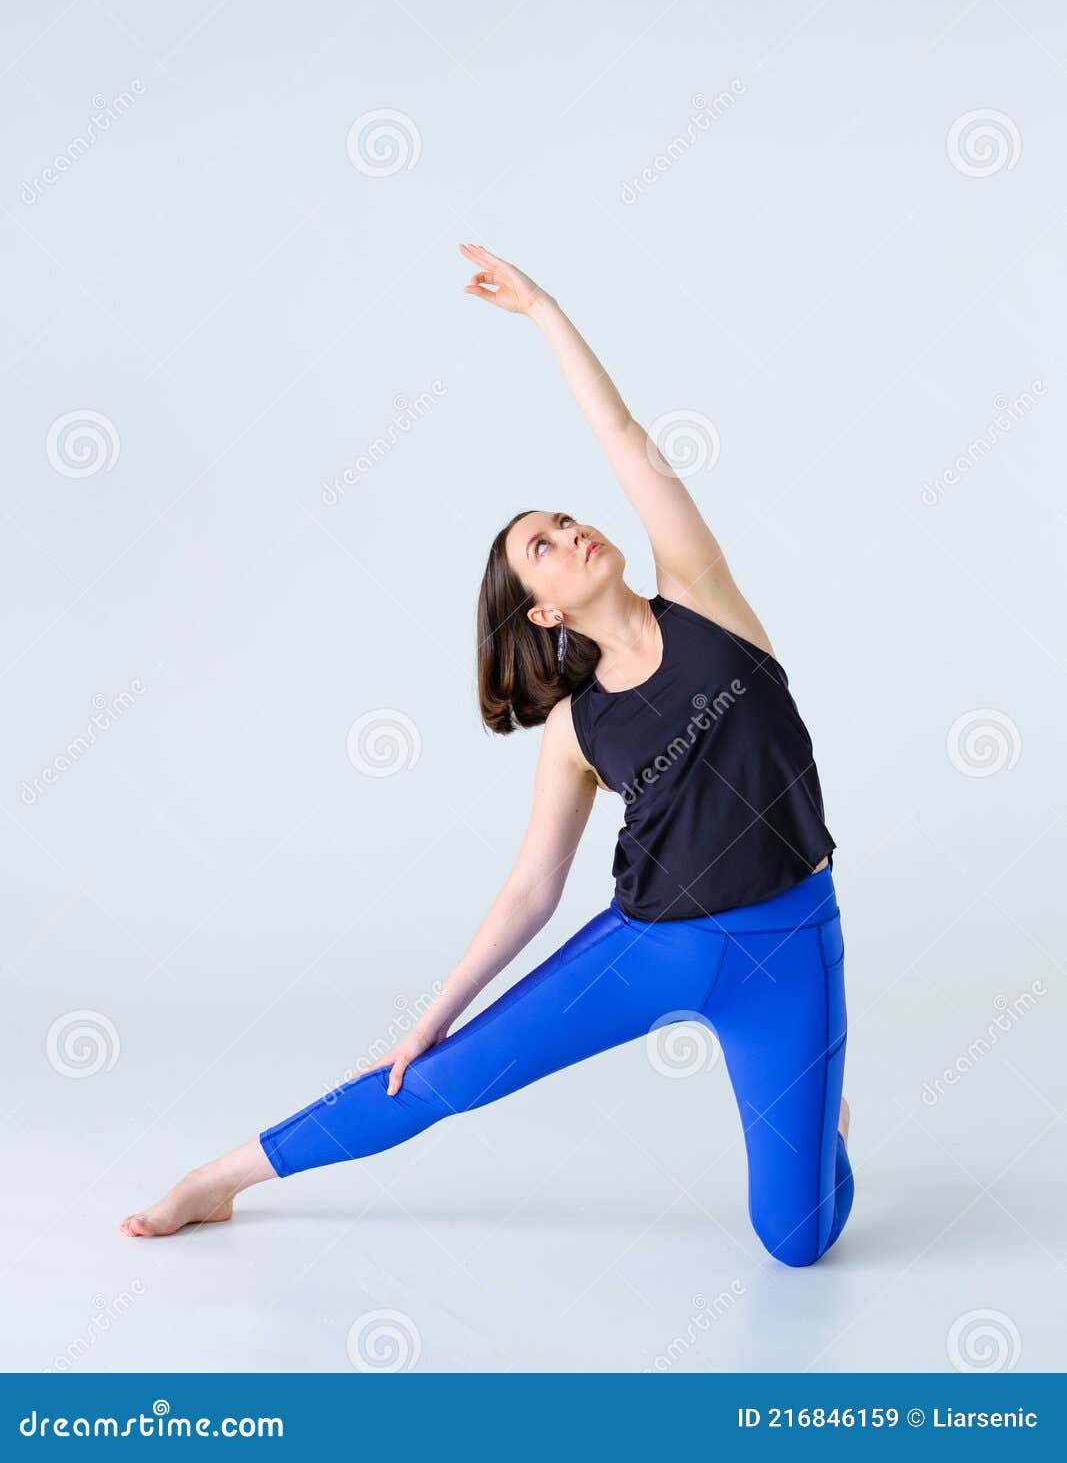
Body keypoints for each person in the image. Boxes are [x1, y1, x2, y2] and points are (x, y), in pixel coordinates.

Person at [120, 244, 852, 1266]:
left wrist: (545, 310)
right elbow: (528, 890)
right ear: (545, 610)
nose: (568, 532)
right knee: (433, 1083)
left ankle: (821, 1122)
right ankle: (218, 1178)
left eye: (560, 519)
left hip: (789, 940)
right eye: (540, 547)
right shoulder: (574, 726)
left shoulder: (702, 594)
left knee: (797, 1241)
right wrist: (433, 1015)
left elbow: (620, 435)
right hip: (647, 946)